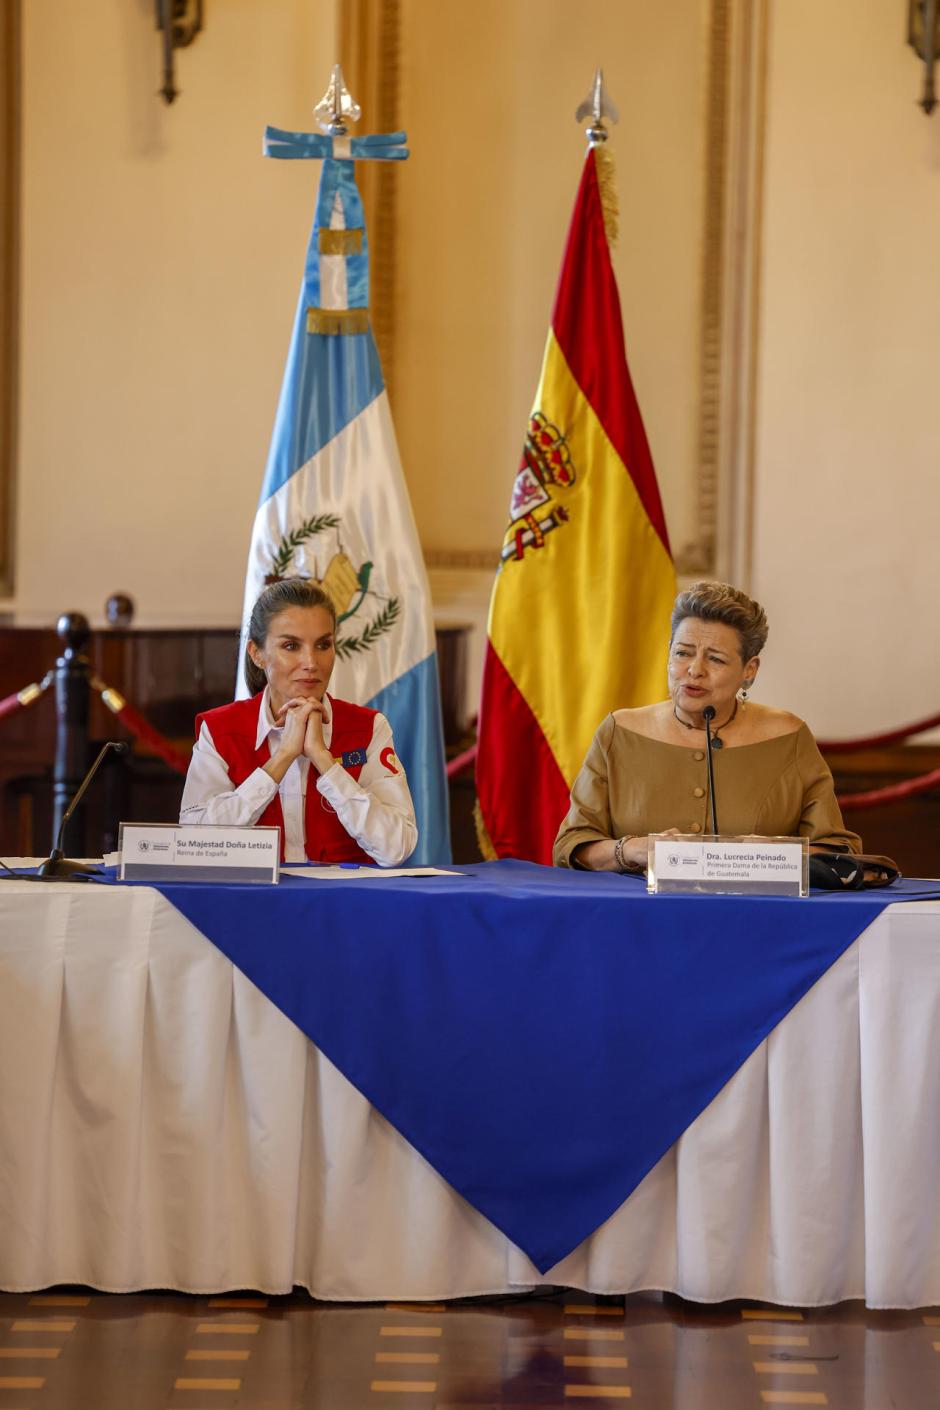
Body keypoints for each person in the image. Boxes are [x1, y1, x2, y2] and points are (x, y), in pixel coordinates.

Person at [553, 581, 861, 873]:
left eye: (715, 659)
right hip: (638, 916)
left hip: (756, 917)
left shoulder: (788, 736)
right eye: (682, 653)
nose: (694, 670)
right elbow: (572, 845)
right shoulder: (619, 731)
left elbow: (839, 851)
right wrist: (632, 850)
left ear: (749, 670)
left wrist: (778, 854)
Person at [180, 578, 417, 866]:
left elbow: (397, 848)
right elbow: (194, 842)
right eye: (291, 645)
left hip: (345, 904)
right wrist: (281, 759)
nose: (311, 662)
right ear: (257, 654)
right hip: (254, 904)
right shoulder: (220, 730)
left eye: (323, 645)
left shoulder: (368, 728)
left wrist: (324, 760)